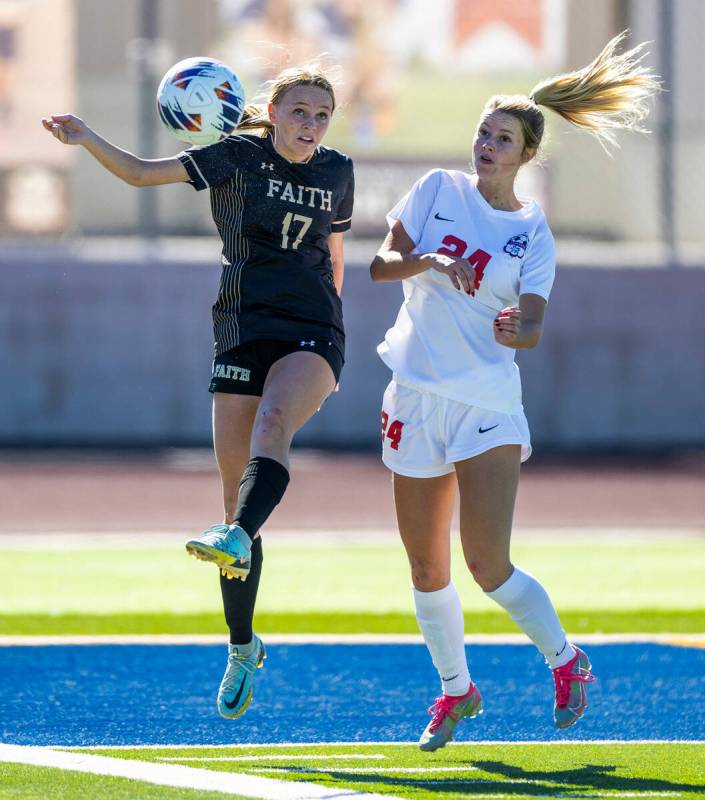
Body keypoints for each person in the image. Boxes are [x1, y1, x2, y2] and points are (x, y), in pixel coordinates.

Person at [369, 32, 660, 751]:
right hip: (413, 393)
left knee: (485, 564)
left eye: (501, 139)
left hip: (486, 402)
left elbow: (530, 328)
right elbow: (381, 266)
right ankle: (454, 691)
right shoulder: (437, 190)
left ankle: (565, 662)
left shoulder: (532, 232)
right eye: (482, 133)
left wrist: (513, 328)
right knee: (424, 564)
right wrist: (427, 258)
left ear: (526, 154)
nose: (486, 146)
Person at [43, 62, 354, 720]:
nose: (311, 125)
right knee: (233, 491)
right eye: (300, 111)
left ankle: (238, 533)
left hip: (313, 333)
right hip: (241, 329)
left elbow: (332, 251)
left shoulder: (337, 170)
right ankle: (242, 647)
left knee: (273, 427)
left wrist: (333, 320)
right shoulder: (233, 156)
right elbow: (140, 174)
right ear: (272, 110)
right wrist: (86, 137)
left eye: (321, 115)